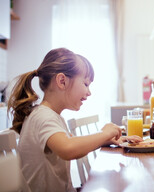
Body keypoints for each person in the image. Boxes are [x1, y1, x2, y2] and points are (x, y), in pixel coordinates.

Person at [7, 48, 142, 191]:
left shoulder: (50, 115)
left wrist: (104, 139)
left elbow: (74, 145)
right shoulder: (43, 117)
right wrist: (103, 134)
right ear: (62, 81)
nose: (89, 92)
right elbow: (68, 148)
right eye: (85, 84)